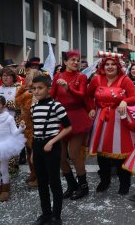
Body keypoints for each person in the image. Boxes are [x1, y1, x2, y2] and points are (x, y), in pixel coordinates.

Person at [87, 51, 135, 195]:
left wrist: (124, 100)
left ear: (118, 67)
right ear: (103, 66)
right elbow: (87, 96)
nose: (109, 67)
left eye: (112, 65)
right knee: (102, 152)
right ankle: (104, 180)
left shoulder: (125, 80)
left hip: (119, 118)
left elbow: (134, 97)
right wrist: (91, 108)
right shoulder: (96, 80)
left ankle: (125, 183)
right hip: (101, 118)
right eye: (107, 64)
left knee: (121, 152)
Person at [51, 50, 93, 200]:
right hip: (60, 119)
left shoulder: (81, 77)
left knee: (75, 154)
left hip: (77, 119)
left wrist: (69, 88)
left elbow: (83, 95)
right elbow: (52, 96)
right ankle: (72, 184)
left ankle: (83, 186)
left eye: (78, 60)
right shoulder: (58, 76)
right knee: (60, 157)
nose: (76, 62)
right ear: (65, 62)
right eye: (72, 60)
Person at [30, 75, 72, 225]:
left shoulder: (56, 106)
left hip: (52, 145)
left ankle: (56, 215)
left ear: (48, 88)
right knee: (41, 182)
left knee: (54, 181)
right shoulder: (33, 107)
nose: (36, 91)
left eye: (40, 88)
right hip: (38, 145)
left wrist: (52, 141)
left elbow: (68, 127)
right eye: (34, 88)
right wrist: (34, 151)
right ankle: (46, 213)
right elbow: (36, 129)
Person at [15, 69, 42, 188]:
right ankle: (33, 174)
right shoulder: (26, 91)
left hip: (34, 126)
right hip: (26, 125)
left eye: (28, 77)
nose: (26, 79)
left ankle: (40, 178)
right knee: (29, 152)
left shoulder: (36, 93)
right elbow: (17, 102)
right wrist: (22, 89)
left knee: (36, 154)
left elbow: (31, 108)